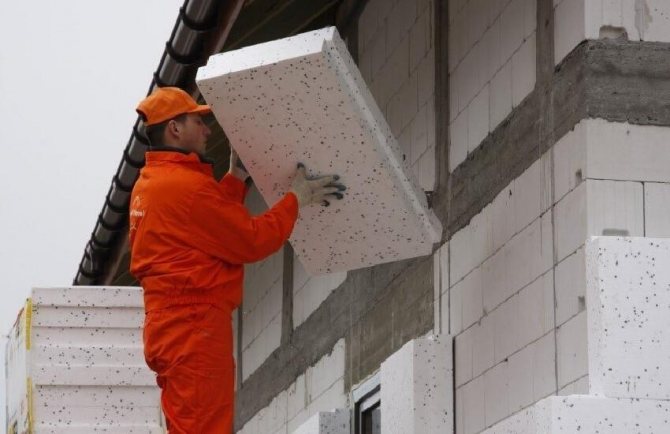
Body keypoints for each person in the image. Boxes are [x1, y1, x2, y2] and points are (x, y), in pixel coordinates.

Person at [129, 86, 345, 433]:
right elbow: (251, 240)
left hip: (171, 328)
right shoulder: (185, 188)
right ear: (175, 129)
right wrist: (295, 199)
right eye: (198, 121)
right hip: (194, 328)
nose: (208, 130)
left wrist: (235, 180)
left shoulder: (150, 184)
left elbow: (204, 229)